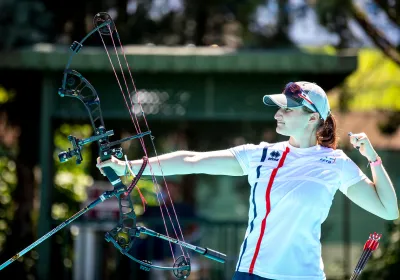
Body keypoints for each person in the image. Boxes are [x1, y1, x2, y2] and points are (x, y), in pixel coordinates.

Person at [96, 81, 399, 280]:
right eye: (279, 108)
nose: (278, 114)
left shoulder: (336, 163)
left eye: (287, 109)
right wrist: (128, 167)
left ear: (312, 118)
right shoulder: (261, 155)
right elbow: (192, 160)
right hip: (253, 274)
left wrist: (373, 158)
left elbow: (388, 210)